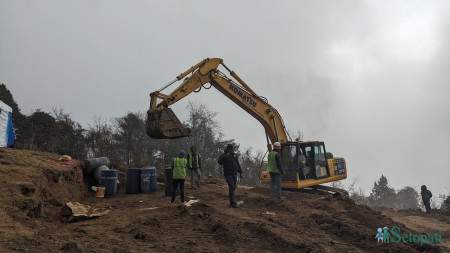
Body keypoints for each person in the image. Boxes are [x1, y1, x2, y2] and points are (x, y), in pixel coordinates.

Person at [218, 144, 243, 208]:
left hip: (234, 173)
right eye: (230, 149)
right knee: (231, 186)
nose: (231, 151)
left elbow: (237, 164)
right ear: (227, 149)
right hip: (228, 174)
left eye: (231, 149)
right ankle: (232, 203)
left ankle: (232, 200)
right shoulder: (224, 155)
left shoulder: (234, 156)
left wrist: (240, 172)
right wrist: (226, 156)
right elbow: (219, 161)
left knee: (233, 187)